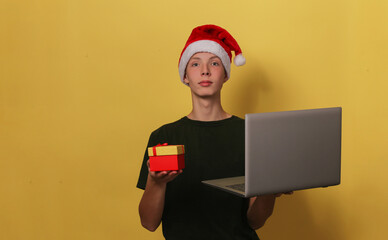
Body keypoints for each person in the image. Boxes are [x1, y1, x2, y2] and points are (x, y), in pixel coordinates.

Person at [137, 24, 290, 240]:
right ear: (185, 76)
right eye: (195, 63)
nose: (205, 70)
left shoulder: (251, 134)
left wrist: (269, 191)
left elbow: (255, 221)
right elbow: (148, 223)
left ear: (226, 74)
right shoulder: (164, 137)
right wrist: (156, 182)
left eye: (215, 63)